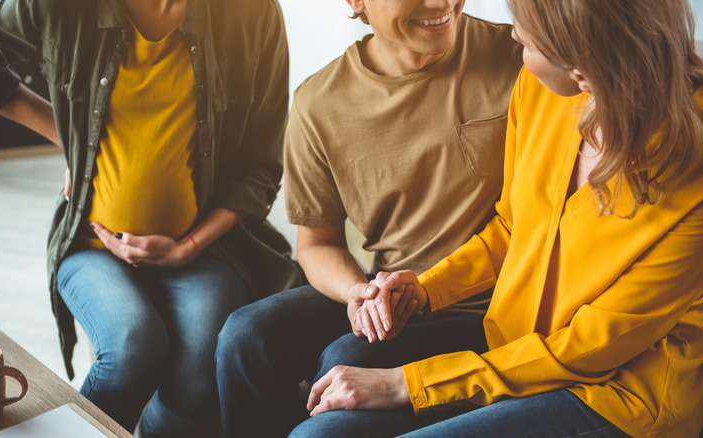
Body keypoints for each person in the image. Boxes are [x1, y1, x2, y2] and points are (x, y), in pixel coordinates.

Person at [292, 0, 703, 436]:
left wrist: (406, 384)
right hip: (512, 345)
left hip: (616, 393)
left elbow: (589, 349)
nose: (513, 37)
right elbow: (511, 228)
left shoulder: (691, 169)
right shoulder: (541, 87)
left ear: (583, 68)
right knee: (328, 419)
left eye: (527, 40)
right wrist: (425, 290)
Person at [0, 0, 300, 436]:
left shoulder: (253, 13)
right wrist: (75, 141)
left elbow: (260, 165)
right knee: (134, 347)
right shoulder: (60, 6)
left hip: (205, 247)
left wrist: (189, 246)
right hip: (89, 246)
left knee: (201, 366)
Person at [215, 0, 524, 436]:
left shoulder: (521, 58)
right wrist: (358, 293)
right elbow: (318, 244)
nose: (439, 3)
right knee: (244, 336)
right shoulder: (318, 103)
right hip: (390, 295)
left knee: (348, 356)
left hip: (487, 306)